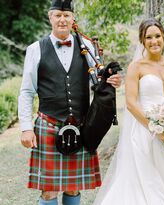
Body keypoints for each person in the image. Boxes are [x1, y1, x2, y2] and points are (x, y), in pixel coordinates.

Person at [18, 0, 121, 204]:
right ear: (50, 17)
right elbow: (27, 91)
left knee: (73, 189)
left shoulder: (87, 46)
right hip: (48, 124)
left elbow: (99, 79)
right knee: (48, 191)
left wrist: (110, 79)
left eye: (66, 15)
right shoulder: (35, 49)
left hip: (79, 126)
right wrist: (26, 128)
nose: (62, 19)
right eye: (58, 15)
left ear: (73, 18)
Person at [92, 18, 164, 205]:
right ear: (142, 40)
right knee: (148, 185)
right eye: (148, 37)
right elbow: (131, 104)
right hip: (145, 132)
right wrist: (156, 129)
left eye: (157, 36)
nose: (154, 41)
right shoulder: (136, 67)